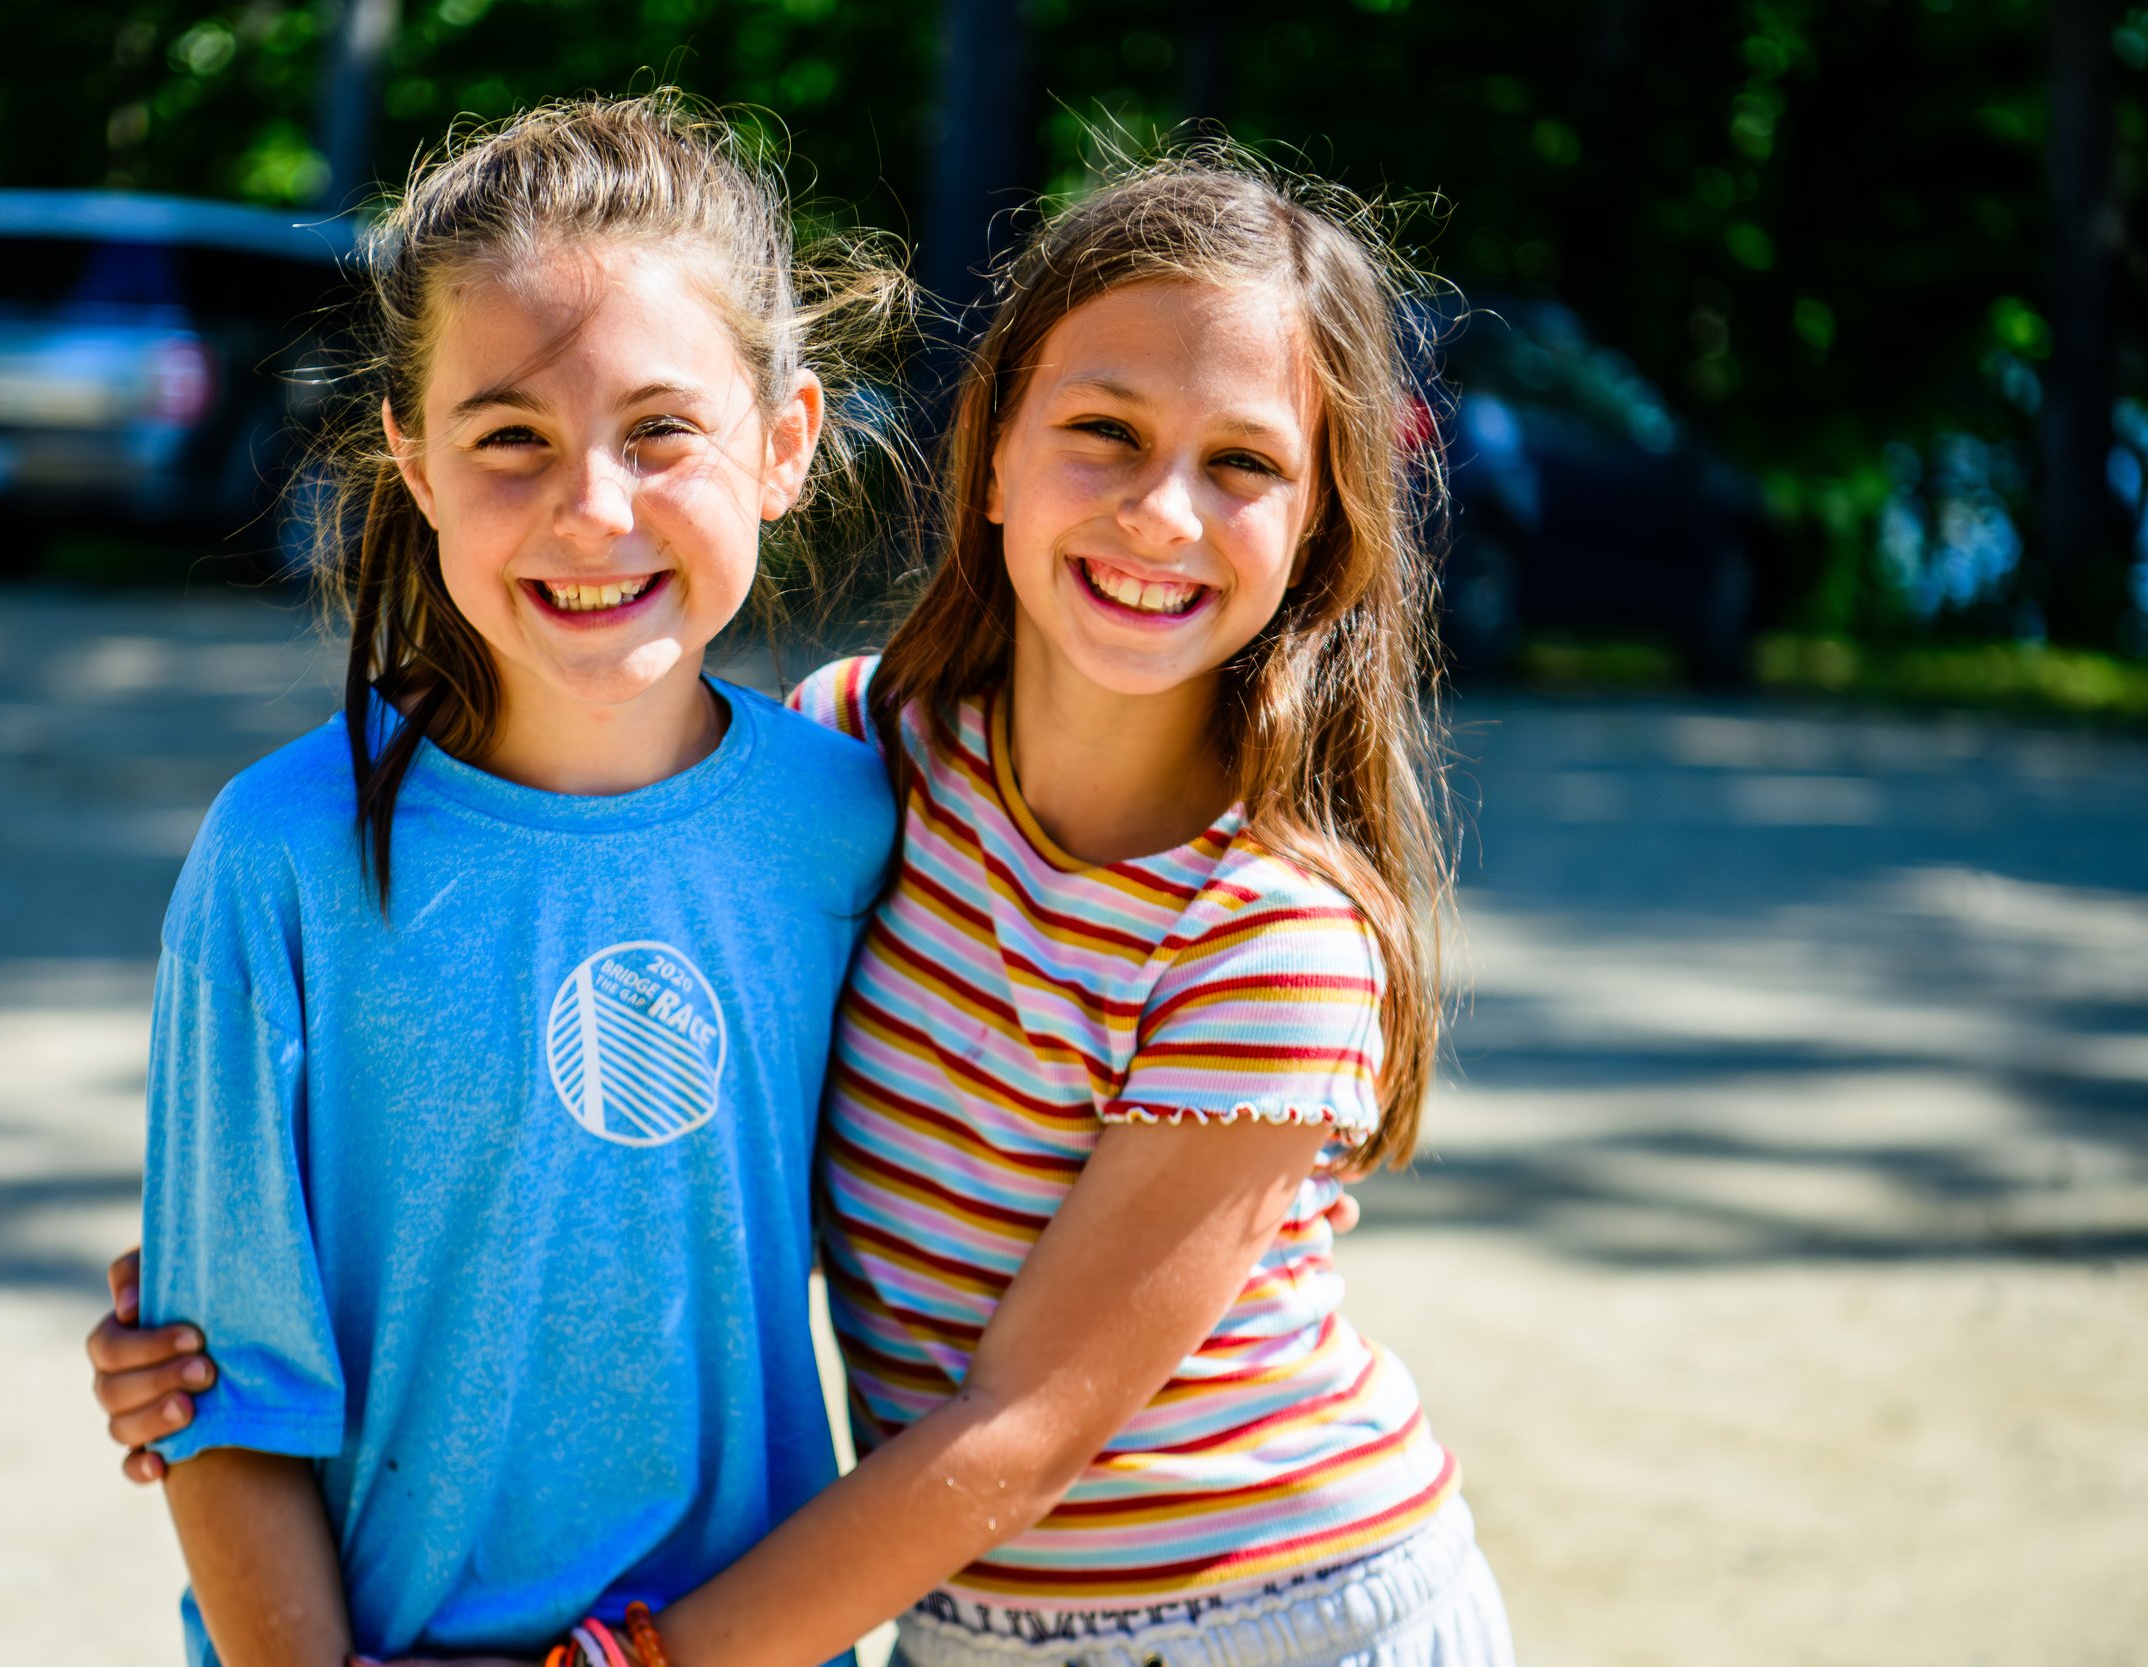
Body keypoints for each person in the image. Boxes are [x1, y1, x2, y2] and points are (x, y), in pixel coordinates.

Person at [96, 144, 1515, 1667]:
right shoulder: (870, 765)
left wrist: (644, 1663)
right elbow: (287, 1329)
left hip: (1266, 1611)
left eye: (1242, 463)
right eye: (1102, 428)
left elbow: (1020, 1422)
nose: (1161, 512)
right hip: (932, 1629)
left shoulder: (1229, 926)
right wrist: (208, 1310)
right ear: (992, 444)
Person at [108, 90, 910, 1667]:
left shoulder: (859, 823)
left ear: (787, 443)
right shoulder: (278, 861)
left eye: (661, 429)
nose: (591, 508)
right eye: (510, 438)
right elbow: (225, 1394)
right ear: (408, 454)